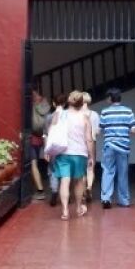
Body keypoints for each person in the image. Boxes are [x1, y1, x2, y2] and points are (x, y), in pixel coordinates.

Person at [49, 90, 93, 220]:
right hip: (80, 153)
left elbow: (52, 132)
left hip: (63, 152)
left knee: (64, 180)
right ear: (81, 103)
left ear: (69, 101)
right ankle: (79, 208)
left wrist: (49, 151)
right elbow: (89, 139)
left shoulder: (60, 114)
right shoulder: (85, 118)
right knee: (79, 181)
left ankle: (65, 211)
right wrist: (91, 156)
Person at [99, 88, 135, 209]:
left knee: (108, 171)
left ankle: (106, 198)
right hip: (123, 147)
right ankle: (124, 200)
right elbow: (134, 129)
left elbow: (100, 130)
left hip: (109, 145)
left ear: (110, 98)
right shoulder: (128, 111)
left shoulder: (105, 112)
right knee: (123, 174)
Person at [29, 88, 52, 200]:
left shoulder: (30, 103)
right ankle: (56, 187)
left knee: (33, 163)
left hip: (33, 137)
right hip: (45, 135)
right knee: (52, 160)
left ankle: (40, 190)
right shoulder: (45, 103)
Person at [47, 94, 67, 205]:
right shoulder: (68, 115)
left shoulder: (49, 117)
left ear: (53, 103)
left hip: (54, 146)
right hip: (66, 146)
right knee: (65, 170)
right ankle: (65, 194)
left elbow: (46, 135)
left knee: (53, 170)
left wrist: (47, 150)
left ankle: (54, 191)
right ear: (65, 103)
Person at [81, 92, 100, 202]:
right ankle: (89, 188)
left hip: (79, 143)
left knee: (81, 169)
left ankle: (83, 193)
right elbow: (97, 131)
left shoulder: (77, 114)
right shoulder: (94, 114)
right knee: (90, 167)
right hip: (91, 142)